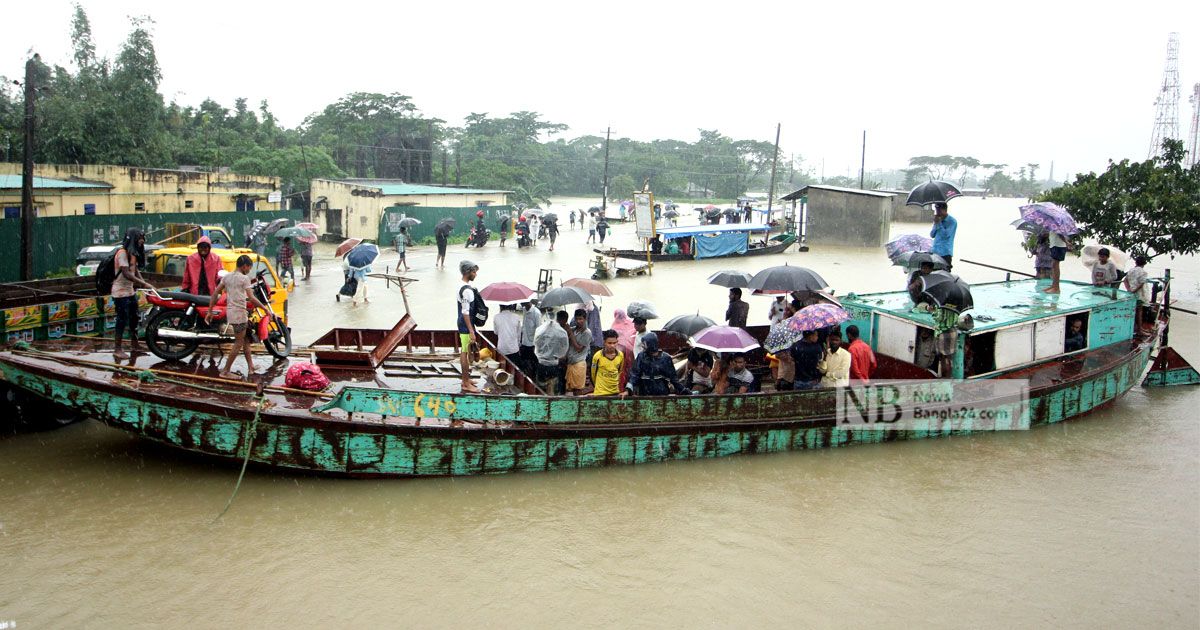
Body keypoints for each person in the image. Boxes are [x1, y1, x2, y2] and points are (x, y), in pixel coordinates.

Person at [206, 255, 267, 378]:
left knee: (245, 340)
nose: (249, 270)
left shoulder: (226, 277)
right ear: (244, 266)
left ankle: (251, 367)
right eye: (249, 267)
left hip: (231, 313)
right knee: (239, 342)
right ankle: (225, 371)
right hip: (239, 313)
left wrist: (209, 310)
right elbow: (251, 298)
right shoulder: (244, 279)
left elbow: (215, 293)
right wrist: (265, 309)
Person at [111, 227, 154, 360]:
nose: (141, 242)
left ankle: (134, 345)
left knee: (134, 318)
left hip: (130, 291)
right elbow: (126, 272)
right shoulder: (122, 253)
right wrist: (143, 284)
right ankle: (117, 349)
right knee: (122, 319)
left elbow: (135, 270)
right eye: (139, 240)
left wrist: (143, 281)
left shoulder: (133, 253)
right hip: (119, 292)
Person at [622, 333, 689, 397]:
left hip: (662, 395)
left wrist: (683, 390)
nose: (642, 346)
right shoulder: (641, 357)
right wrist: (628, 390)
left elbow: (673, 378)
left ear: (651, 344)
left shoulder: (665, 358)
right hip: (644, 395)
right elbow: (634, 374)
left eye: (644, 344)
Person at [457, 260, 481, 393]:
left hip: (463, 323)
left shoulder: (461, 286)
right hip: (466, 325)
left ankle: (465, 379)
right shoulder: (467, 291)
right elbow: (465, 312)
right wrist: (471, 331)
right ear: (467, 272)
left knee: (464, 351)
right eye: (473, 272)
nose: (475, 274)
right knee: (465, 353)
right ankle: (466, 383)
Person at [535, 310, 570, 394]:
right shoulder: (562, 332)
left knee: (540, 390)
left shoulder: (540, 329)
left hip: (541, 364)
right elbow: (564, 351)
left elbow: (536, 345)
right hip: (554, 365)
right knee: (554, 391)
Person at [565, 309, 592, 394]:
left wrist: (571, 334)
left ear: (585, 319)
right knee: (569, 390)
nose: (578, 321)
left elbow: (579, 348)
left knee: (578, 390)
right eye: (576, 319)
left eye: (580, 319)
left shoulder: (587, 333)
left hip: (579, 363)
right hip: (570, 363)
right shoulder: (573, 329)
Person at [591, 330, 626, 396]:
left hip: (615, 391)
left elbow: (619, 371)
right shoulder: (597, 356)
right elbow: (593, 374)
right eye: (609, 343)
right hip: (600, 393)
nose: (612, 345)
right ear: (604, 342)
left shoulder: (620, 355)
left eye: (614, 343)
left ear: (617, 342)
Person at [493, 303, 523, 369]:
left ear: (500, 306)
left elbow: (496, 332)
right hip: (514, 349)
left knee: (503, 369)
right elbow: (519, 334)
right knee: (514, 369)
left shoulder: (496, 317)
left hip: (502, 348)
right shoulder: (516, 317)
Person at [1124, 256, 1152, 324]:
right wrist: (1134, 290)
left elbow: (1125, 280)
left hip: (1130, 293)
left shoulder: (1131, 270)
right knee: (1139, 311)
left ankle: (1134, 327)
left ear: (1136, 262)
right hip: (1139, 295)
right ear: (1144, 264)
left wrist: (1128, 289)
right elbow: (1141, 284)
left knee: (1133, 310)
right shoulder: (1143, 272)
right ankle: (1139, 328)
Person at [929, 202, 957, 271]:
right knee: (934, 273)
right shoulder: (938, 219)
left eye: (939, 210)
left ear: (945, 210)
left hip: (945, 252)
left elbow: (946, 235)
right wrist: (936, 223)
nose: (937, 212)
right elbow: (932, 235)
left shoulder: (952, 221)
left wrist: (939, 223)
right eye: (936, 210)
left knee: (945, 273)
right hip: (935, 251)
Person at [933, 305, 959, 377]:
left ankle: (944, 377)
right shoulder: (956, 305)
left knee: (943, 358)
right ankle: (949, 376)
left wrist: (933, 312)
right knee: (949, 358)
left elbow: (940, 318)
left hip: (943, 333)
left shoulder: (942, 305)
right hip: (953, 332)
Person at [519, 300, 541, 376]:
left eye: (522, 302)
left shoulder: (536, 313)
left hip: (532, 344)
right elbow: (524, 325)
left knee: (532, 365)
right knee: (523, 364)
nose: (520, 304)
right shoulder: (524, 310)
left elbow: (539, 329)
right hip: (524, 342)